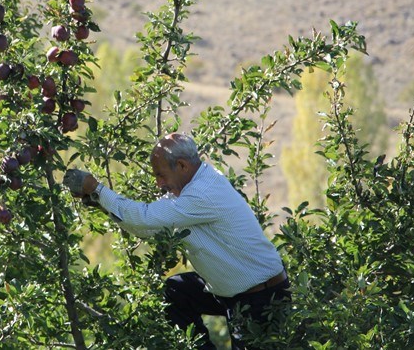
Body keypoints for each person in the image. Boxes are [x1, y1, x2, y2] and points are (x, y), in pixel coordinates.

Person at [62, 133, 291, 350]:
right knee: (178, 290)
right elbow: (148, 228)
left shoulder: (202, 192)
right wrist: (101, 202)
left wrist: (98, 189)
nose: (159, 184)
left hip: (261, 297)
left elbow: (145, 217)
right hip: (230, 292)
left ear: (182, 166)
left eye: (161, 175)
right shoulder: (187, 192)